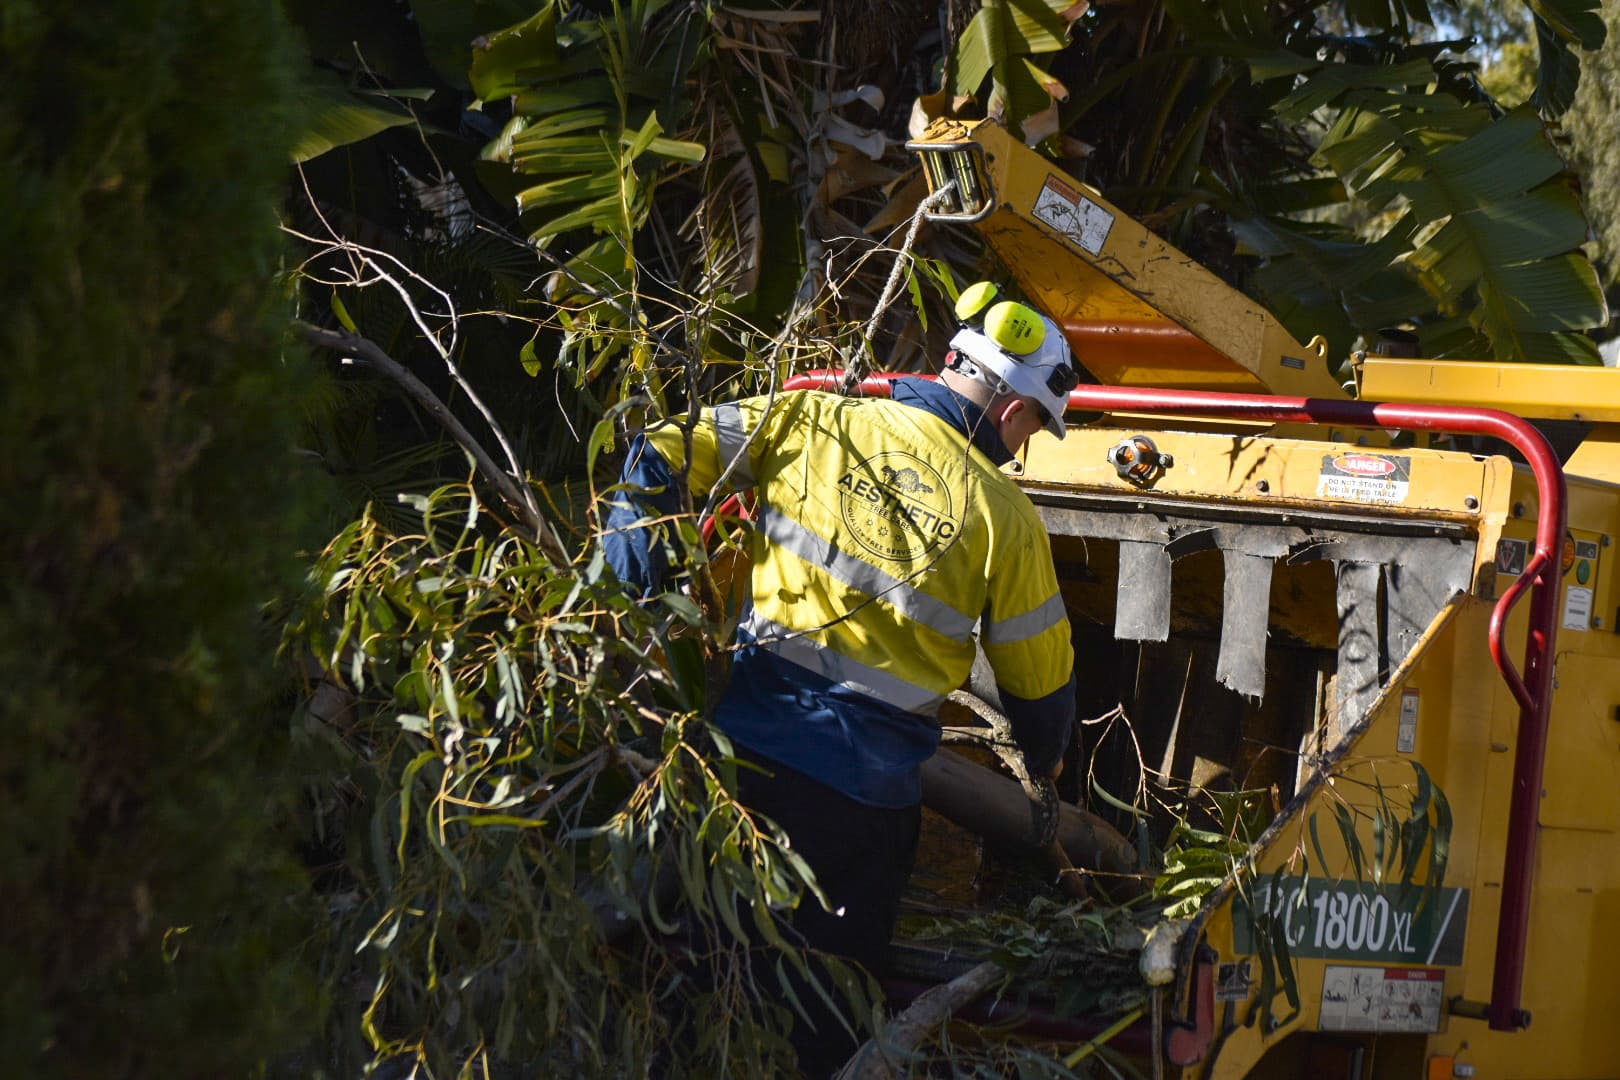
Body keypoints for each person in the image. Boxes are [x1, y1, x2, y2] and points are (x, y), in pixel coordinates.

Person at [603, 284, 1081, 1076]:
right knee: (818, 1030)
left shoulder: (814, 419)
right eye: (1035, 426)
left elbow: (658, 447)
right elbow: (1042, 697)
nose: (1026, 447)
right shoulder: (1006, 515)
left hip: (737, 773)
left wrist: (628, 602)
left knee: (694, 1000)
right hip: (859, 814)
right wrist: (1045, 771)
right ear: (1011, 412)